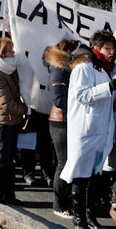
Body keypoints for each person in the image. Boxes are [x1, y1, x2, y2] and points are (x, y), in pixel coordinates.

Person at [60, 31, 116, 229]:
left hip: (100, 132)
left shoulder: (103, 70)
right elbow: (81, 95)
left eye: (113, 48)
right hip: (85, 131)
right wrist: (108, 88)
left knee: (94, 176)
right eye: (107, 48)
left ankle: (89, 216)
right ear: (96, 48)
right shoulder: (84, 67)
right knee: (80, 175)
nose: (111, 53)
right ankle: (78, 222)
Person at [0, 36, 29, 204]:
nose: (14, 53)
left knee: (9, 159)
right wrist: (25, 111)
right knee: (2, 157)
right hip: (3, 122)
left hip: (12, 120)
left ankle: (9, 194)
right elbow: (6, 103)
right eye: (10, 51)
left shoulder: (9, 70)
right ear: (2, 54)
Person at [43, 37, 79, 219]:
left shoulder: (63, 68)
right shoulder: (59, 70)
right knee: (63, 163)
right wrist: (80, 102)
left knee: (68, 163)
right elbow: (59, 99)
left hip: (66, 121)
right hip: (60, 122)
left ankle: (66, 200)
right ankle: (58, 205)